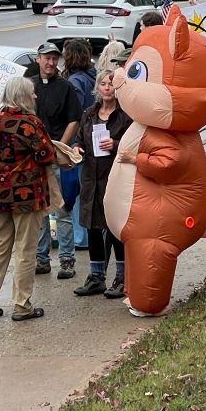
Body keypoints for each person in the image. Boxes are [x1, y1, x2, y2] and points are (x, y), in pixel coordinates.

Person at [0, 77, 55, 322]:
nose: (35, 97)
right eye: (32, 93)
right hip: (27, 196)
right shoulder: (29, 123)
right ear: (23, 96)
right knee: (25, 252)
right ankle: (22, 306)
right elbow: (46, 155)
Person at [72, 71, 132, 299]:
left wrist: (115, 144)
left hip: (113, 177)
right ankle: (96, 276)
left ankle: (122, 276)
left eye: (111, 84)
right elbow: (79, 140)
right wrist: (77, 148)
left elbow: (134, 144)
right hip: (90, 177)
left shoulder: (125, 116)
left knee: (115, 228)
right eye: (103, 84)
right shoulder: (89, 114)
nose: (107, 88)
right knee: (93, 227)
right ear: (97, 88)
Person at [32, 42, 83, 280]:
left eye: (54, 58)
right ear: (38, 59)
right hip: (34, 158)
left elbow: (74, 118)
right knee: (40, 211)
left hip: (57, 156)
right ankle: (41, 258)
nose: (51, 63)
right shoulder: (29, 86)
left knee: (62, 209)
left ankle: (66, 260)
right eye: (46, 58)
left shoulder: (65, 87)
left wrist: (59, 146)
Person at [62, 39, 97, 251]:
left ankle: (79, 236)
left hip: (79, 142)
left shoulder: (75, 82)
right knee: (88, 188)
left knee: (74, 190)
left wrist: (70, 144)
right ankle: (88, 232)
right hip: (93, 138)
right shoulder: (93, 76)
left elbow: (74, 115)